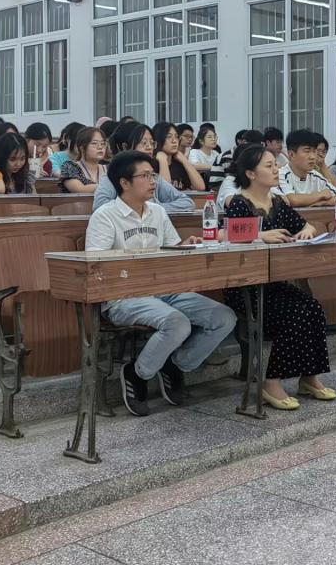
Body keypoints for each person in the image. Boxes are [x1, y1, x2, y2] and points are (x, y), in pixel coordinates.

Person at [86, 151, 237, 416]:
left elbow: (171, 249)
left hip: (163, 290)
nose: (153, 181)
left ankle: (175, 363)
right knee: (177, 322)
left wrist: (187, 245)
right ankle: (138, 373)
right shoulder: (105, 216)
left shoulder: (157, 211)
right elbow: (97, 266)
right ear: (124, 182)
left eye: (153, 175)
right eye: (145, 176)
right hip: (123, 296)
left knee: (224, 317)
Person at [224, 145, 336, 410]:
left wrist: (307, 232)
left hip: (274, 284)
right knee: (293, 313)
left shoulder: (277, 202)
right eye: (269, 166)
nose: (276, 170)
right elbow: (223, 235)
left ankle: (309, 377)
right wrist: (259, 236)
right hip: (247, 287)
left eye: (275, 165)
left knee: (313, 308)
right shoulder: (240, 203)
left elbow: (306, 225)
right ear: (251, 173)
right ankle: (271, 382)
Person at [93, 123, 194, 213]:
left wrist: (153, 209)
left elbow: (187, 202)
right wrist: (135, 210)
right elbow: (99, 206)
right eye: (144, 143)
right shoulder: (112, 176)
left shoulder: (154, 177)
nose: (149, 147)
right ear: (125, 147)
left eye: (152, 143)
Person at [277, 129, 336, 207]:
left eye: (314, 151)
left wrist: (323, 203)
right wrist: (321, 194)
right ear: (291, 155)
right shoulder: (281, 175)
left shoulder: (315, 176)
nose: (313, 157)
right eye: (307, 151)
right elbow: (293, 200)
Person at [152, 122, 205, 191]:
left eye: (176, 137)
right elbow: (165, 191)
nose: (174, 141)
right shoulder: (151, 164)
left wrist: (184, 161)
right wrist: (163, 161)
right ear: (158, 139)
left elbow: (200, 187)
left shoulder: (179, 164)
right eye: (169, 136)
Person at [59, 127, 107, 193]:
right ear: (81, 147)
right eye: (94, 143)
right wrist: (111, 186)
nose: (100, 147)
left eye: (103, 143)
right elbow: (80, 189)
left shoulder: (110, 168)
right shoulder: (69, 167)